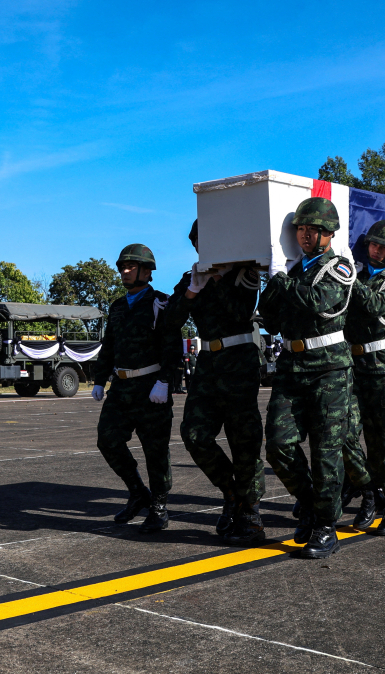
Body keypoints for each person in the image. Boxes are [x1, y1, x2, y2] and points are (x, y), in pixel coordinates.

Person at [257, 197, 355, 559]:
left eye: (312, 229)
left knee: (326, 451)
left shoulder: (339, 268)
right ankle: (312, 506)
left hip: (329, 369)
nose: (305, 235)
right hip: (292, 366)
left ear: (329, 233)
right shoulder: (292, 271)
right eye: (300, 228)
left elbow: (318, 301)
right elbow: (268, 320)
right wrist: (272, 282)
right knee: (278, 445)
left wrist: (282, 280)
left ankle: (326, 526)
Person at [170, 219, 266, 544]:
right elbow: (170, 320)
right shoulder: (191, 277)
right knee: (194, 434)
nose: (202, 246)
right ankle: (232, 493)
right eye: (198, 242)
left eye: (208, 239)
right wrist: (192, 290)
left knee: (244, 439)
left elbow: (241, 311)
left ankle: (250, 512)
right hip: (208, 363)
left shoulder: (244, 272)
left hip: (239, 360)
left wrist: (216, 278)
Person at [91, 243, 182, 534]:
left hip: (151, 386)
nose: (125, 272)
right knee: (107, 440)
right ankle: (138, 492)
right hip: (121, 386)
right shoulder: (118, 306)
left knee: (155, 450)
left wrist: (165, 381)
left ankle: (159, 506)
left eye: (131, 267)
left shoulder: (161, 303)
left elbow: (172, 346)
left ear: (146, 271)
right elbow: (109, 345)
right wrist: (99, 379)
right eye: (122, 267)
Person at [340, 221, 385, 536]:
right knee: (343, 433)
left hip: (380, 365)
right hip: (348, 363)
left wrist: (348, 278)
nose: (376, 249)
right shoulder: (351, 275)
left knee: (384, 439)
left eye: (383, 247)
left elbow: (376, 306)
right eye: (373, 244)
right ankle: (368, 490)